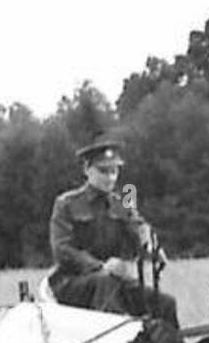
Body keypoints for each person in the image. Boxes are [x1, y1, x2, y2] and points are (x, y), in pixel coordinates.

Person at [48, 137, 179, 327]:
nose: (110, 177)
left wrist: (151, 246)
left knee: (164, 303)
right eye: (103, 171)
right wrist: (100, 266)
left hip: (114, 280)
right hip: (72, 282)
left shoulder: (121, 201)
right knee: (106, 283)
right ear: (87, 170)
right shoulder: (67, 203)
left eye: (114, 171)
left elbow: (138, 226)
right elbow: (62, 250)